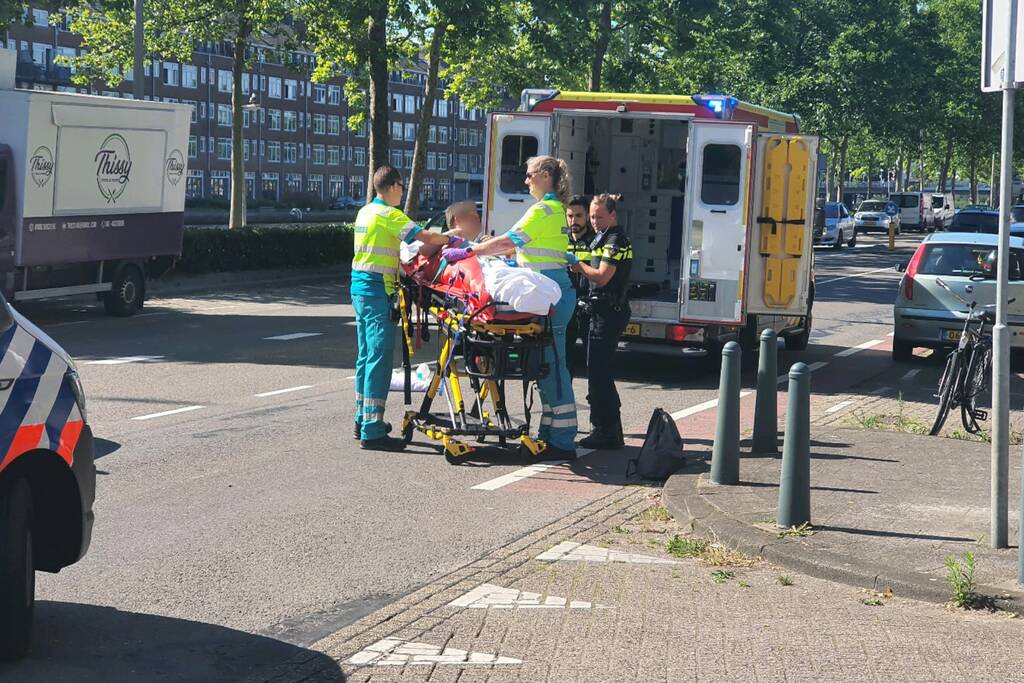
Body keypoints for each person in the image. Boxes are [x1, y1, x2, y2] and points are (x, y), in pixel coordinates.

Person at [441, 156, 578, 459]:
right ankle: (551, 435)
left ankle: (563, 441)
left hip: (547, 294)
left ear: (545, 175)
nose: (526, 180)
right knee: (547, 367)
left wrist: (470, 251)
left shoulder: (543, 210)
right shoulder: (553, 209)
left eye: (530, 175)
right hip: (548, 291)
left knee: (553, 367)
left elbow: (508, 242)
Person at [352, 165, 453, 451]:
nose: (403, 192)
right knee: (379, 359)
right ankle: (373, 430)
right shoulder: (389, 214)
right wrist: (451, 237)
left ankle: (362, 419)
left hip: (360, 289)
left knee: (365, 356)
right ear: (394, 186)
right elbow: (426, 238)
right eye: (402, 187)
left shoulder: (365, 212)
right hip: (377, 291)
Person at [569, 193, 633, 449]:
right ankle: (610, 429)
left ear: (613, 215)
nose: (594, 221)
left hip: (608, 311)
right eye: (593, 217)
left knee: (599, 372)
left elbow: (603, 276)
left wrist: (579, 265)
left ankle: (606, 431)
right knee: (598, 371)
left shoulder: (615, 240)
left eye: (600, 217)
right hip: (599, 310)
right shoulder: (602, 236)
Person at [565, 196, 596, 366]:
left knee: (594, 359)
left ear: (587, 217)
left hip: (588, 306)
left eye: (578, 216)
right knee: (564, 358)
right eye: (570, 216)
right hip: (566, 305)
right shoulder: (561, 240)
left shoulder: (596, 241)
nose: (573, 221)